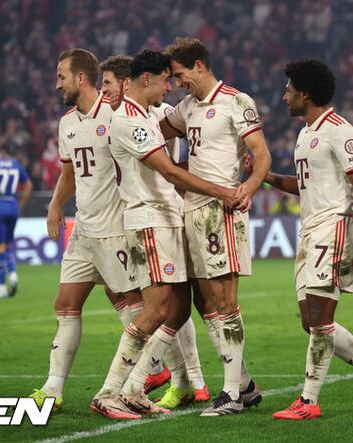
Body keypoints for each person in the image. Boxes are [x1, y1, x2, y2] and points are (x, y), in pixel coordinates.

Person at [248, 59, 353, 420]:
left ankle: (308, 401)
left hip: (335, 228)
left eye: (288, 90)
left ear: (305, 93)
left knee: (320, 318)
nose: (284, 97)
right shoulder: (305, 134)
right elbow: (304, 186)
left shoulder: (339, 130)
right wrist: (266, 176)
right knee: (311, 321)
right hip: (310, 230)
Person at [90, 50, 238, 419]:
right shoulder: (130, 121)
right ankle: (110, 392)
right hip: (149, 221)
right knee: (156, 308)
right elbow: (169, 172)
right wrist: (222, 190)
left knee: (179, 306)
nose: (169, 87)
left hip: (164, 217)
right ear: (146, 79)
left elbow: (172, 166)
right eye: (165, 80)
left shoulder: (144, 116)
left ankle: (135, 388)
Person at [160, 37, 271, 416]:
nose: (178, 84)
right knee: (207, 302)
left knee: (225, 302)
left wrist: (248, 187)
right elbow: (155, 132)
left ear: (199, 66)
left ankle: (231, 395)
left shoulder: (236, 102)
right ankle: (246, 386)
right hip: (191, 209)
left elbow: (262, 154)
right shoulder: (187, 108)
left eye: (180, 75)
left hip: (221, 210)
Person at [29, 48, 142, 413]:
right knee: (65, 305)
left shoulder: (115, 114)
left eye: (61, 76)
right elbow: (70, 173)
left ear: (81, 78)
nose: (56, 84)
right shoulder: (67, 123)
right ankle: (53, 388)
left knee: (137, 310)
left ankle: (146, 379)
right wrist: (55, 204)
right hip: (83, 229)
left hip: (114, 230)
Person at [0, 143, 32, 298]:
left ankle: (2, 286)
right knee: (7, 245)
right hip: (13, 206)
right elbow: (28, 185)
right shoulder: (15, 164)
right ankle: (13, 275)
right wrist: (19, 204)